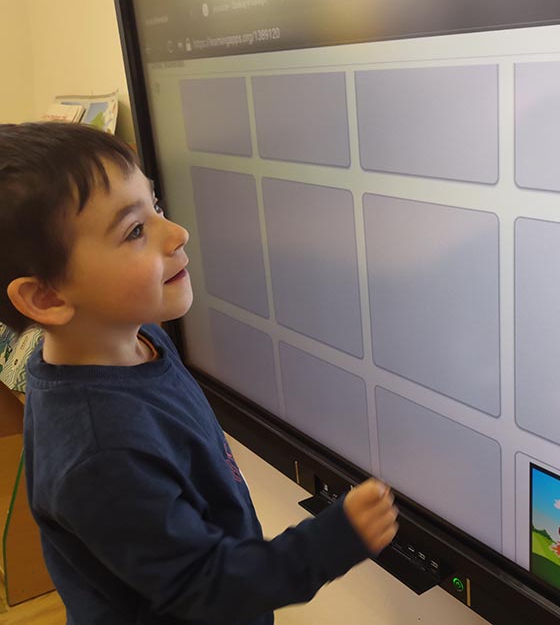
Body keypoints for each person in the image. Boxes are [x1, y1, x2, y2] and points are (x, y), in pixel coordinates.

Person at [0, 122, 398, 624]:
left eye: (156, 205)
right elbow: (206, 588)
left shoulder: (136, 338)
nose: (177, 233)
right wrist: (330, 542)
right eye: (135, 230)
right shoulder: (100, 455)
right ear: (46, 297)